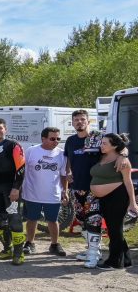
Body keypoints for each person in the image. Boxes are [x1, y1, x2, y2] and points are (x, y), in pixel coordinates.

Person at [64, 109, 128, 263]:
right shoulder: (70, 141)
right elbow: (68, 161)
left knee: (94, 220)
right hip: (76, 187)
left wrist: (123, 155)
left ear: (88, 121)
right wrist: (68, 175)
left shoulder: (98, 137)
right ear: (72, 123)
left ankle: (93, 256)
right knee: (82, 221)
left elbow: (119, 145)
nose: (79, 122)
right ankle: (93, 250)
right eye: (76, 120)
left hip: (94, 188)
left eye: (82, 119)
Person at [90, 134, 137, 269]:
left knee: (115, 229)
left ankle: (114, 261)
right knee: (113, 229)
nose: (101, 145)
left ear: (114, 146)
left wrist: (133, 203)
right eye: (102, 143)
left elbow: (128, 182)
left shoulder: (122, 161)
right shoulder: (101, 155)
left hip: (118, 196)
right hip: (104, 198)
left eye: (105, 143)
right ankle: (126, 259)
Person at [0, 118, 26, 265]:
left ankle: (19, 254)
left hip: (10, 188)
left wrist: (16, 188)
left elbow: (21, 169)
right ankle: (7, 249)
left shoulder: (13, 145)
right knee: (0, 222)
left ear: (5, 129)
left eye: (0, 128)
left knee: (14, 221)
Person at [22, 127, 69, 257]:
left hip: (53, 193)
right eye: (52, 138)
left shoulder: (61, 153)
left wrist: (65, 191)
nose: (56, 141)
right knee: (32, 219)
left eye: (58, 139)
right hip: (32, 193)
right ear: (43, 138)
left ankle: (54, 244)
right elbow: (22, 170)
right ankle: (29, 243)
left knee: (53, 220)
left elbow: (63, 175)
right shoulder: (31, 151)